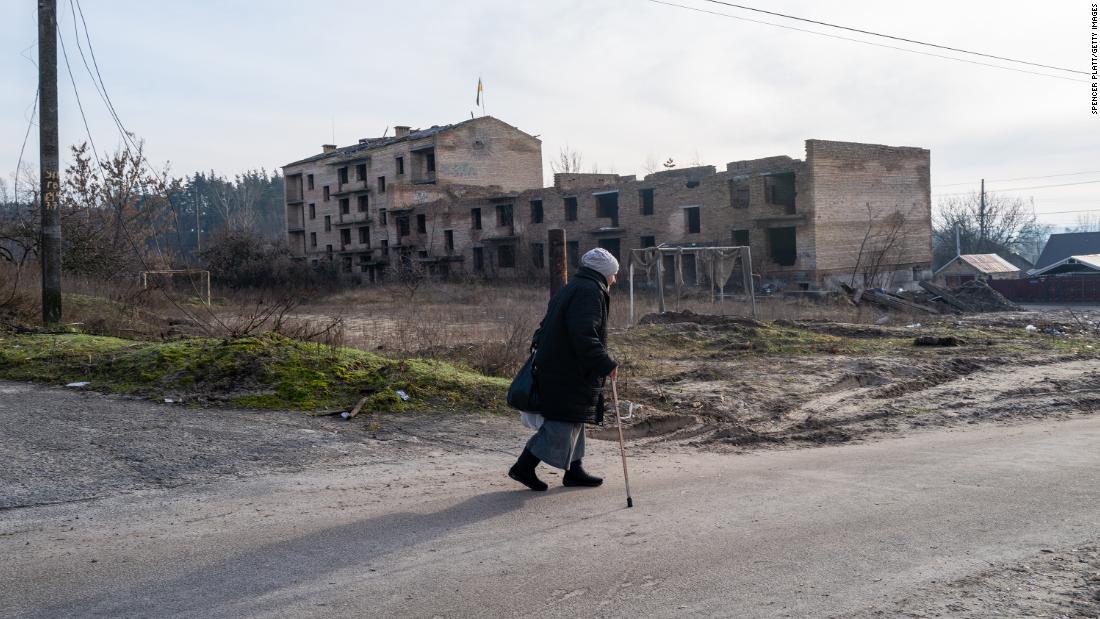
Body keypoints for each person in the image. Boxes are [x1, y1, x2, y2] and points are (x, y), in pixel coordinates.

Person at [509, 247, 619, 491]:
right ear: (603, 273)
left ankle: (574, 471)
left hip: (561, 366)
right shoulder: (590, 292)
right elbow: (584, 334)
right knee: (561, 423)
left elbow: (547, 326)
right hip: (566, 370)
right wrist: (605, 363)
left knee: (575, 417)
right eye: (613, 274)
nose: (615, 279)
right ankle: (523, 467)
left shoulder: (574, 287)